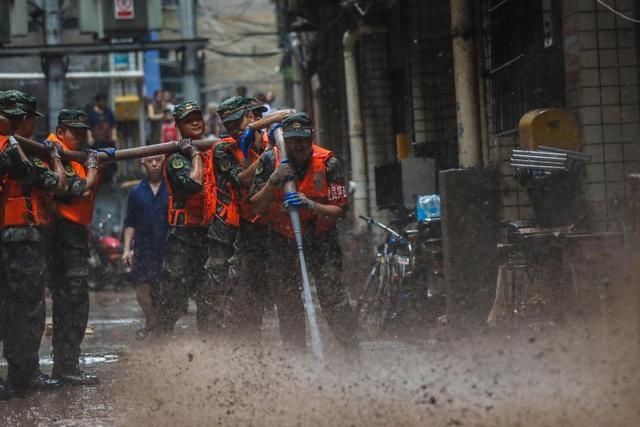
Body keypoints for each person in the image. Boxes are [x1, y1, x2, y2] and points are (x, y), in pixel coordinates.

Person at [245, 113, 358, 352]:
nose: (299, 145)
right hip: (282, 238)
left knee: (332, 295)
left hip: (321, 237)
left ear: (311, 137)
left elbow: (339, 210)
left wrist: (312, 205)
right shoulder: (269, 160)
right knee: (287, 300)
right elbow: (256, 204)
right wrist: (273, 181)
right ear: (285, 139)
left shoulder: (328, 163)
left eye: (303, 139)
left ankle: (351, 352)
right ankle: (297, 354)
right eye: (293, 139)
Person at [0, 90, 66, 396]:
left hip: (15, 236)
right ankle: (24, 374)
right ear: (23, 119)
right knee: (27, 308)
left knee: (12, 308)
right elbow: (50, 181)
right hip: (18, 238)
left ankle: (21, 374)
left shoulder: (16, 146)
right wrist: (52, 156)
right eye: (30, 120)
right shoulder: (15, 149)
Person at [154, 100, 226, 334]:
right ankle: (158, 348)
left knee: (210, 298)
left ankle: (211, 352)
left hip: (209, 234)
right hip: (184, 237)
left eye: (198, 117)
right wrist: (194, 154)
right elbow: (194, 184)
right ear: (178, 125)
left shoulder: (212, 150)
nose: (195, 122)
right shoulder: (177, 157)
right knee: (173, 296)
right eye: (188, 120)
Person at [213, 96, 282, 335]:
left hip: (279, 225)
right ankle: (247, 352)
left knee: (285, 288)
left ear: (251, 117)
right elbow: (241, 178)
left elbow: (290, 113)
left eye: (238, 123)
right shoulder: (224, 150)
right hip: (250, 227)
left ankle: (295, 348)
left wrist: (263, 133)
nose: (234, 130)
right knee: (246, 293)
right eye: (228, 126)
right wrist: (269, 156)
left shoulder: (274, 138)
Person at [48, 109, 101, 385]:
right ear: (60, 132)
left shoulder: (76, 157)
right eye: (74, 131)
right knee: (71, 301)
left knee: (75, 301)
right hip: (61, 236)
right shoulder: (55, 152)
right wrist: (92, 168)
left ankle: (66, 364)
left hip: (76, 235)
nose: (80, 136)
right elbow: (77, 190)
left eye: (83, 131)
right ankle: (63, 366)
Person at [122, 155, 169, 339]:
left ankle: (164, 323)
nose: (155, 164)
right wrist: (127, 249)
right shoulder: (136, 192)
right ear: (143, 163)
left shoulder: (172, 188)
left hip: (168, 245)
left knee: (165, 286)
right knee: (142, 284)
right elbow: (130, 222)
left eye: (158, 160)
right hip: (144, 245)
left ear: (164, 160)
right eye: (150, 161)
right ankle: (150, 320)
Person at [86, 93, 117, 182]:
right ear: (97, 101)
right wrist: (90, 138)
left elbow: (113, 126)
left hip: (108, 141)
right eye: (102, 100)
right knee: (98, 159)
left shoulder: (109, 112)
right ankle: (97, 178)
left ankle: (111, 179)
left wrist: (114, 136)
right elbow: (89, 127)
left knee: (111, 160)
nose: (104, 102)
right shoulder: (91, 114)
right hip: (97, 142)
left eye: (105, 100)